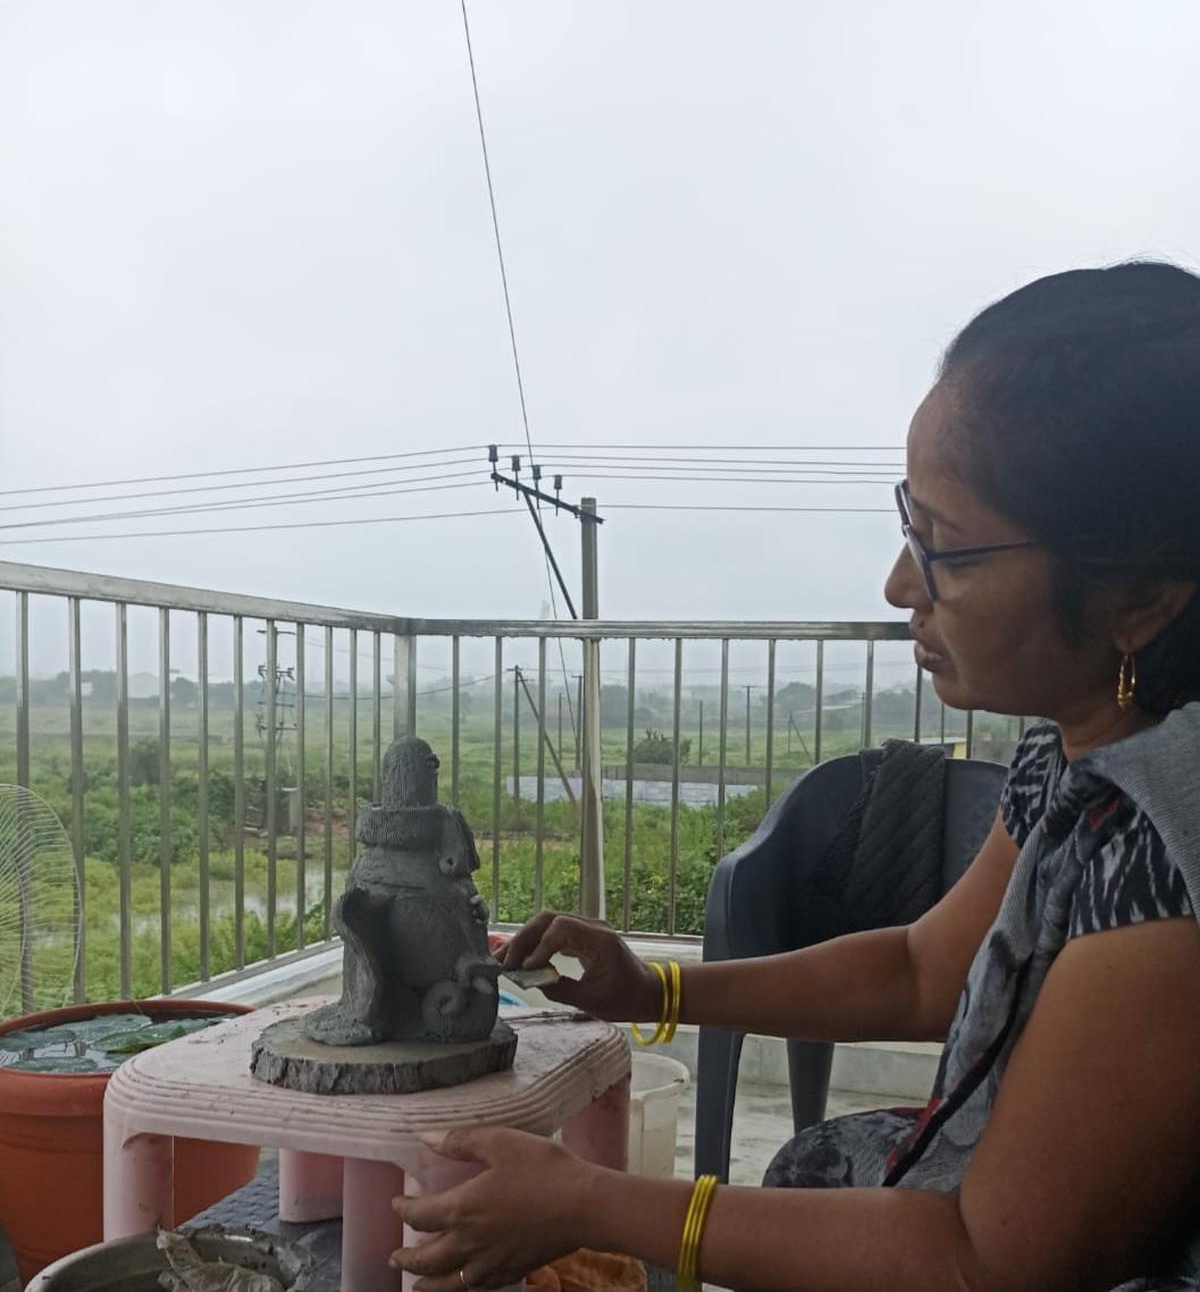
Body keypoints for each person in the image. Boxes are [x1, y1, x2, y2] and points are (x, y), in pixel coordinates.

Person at [389, 262, 1200, 1292]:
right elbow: (921, 969)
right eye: (910, 522)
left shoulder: (1168, 866)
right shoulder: (1077, 744)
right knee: (814, 1168)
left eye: (945, 548)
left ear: (1139, 599)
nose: (901, 584)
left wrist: (589, 1201)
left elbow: (982, 1261)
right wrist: (659, 986)